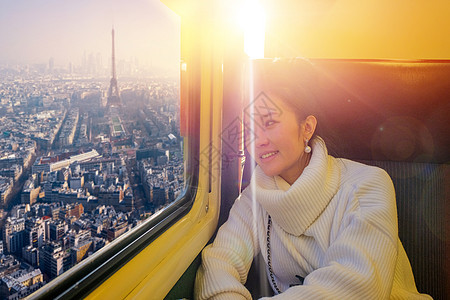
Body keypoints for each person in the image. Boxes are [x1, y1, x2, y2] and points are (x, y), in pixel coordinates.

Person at [194, 59, 431, 299]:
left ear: (307, 127)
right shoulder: (255, 197)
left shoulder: (367, 185)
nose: (258, 140)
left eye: (269, 123)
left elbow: (358, 286)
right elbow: (219, 262)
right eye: (249, 128)